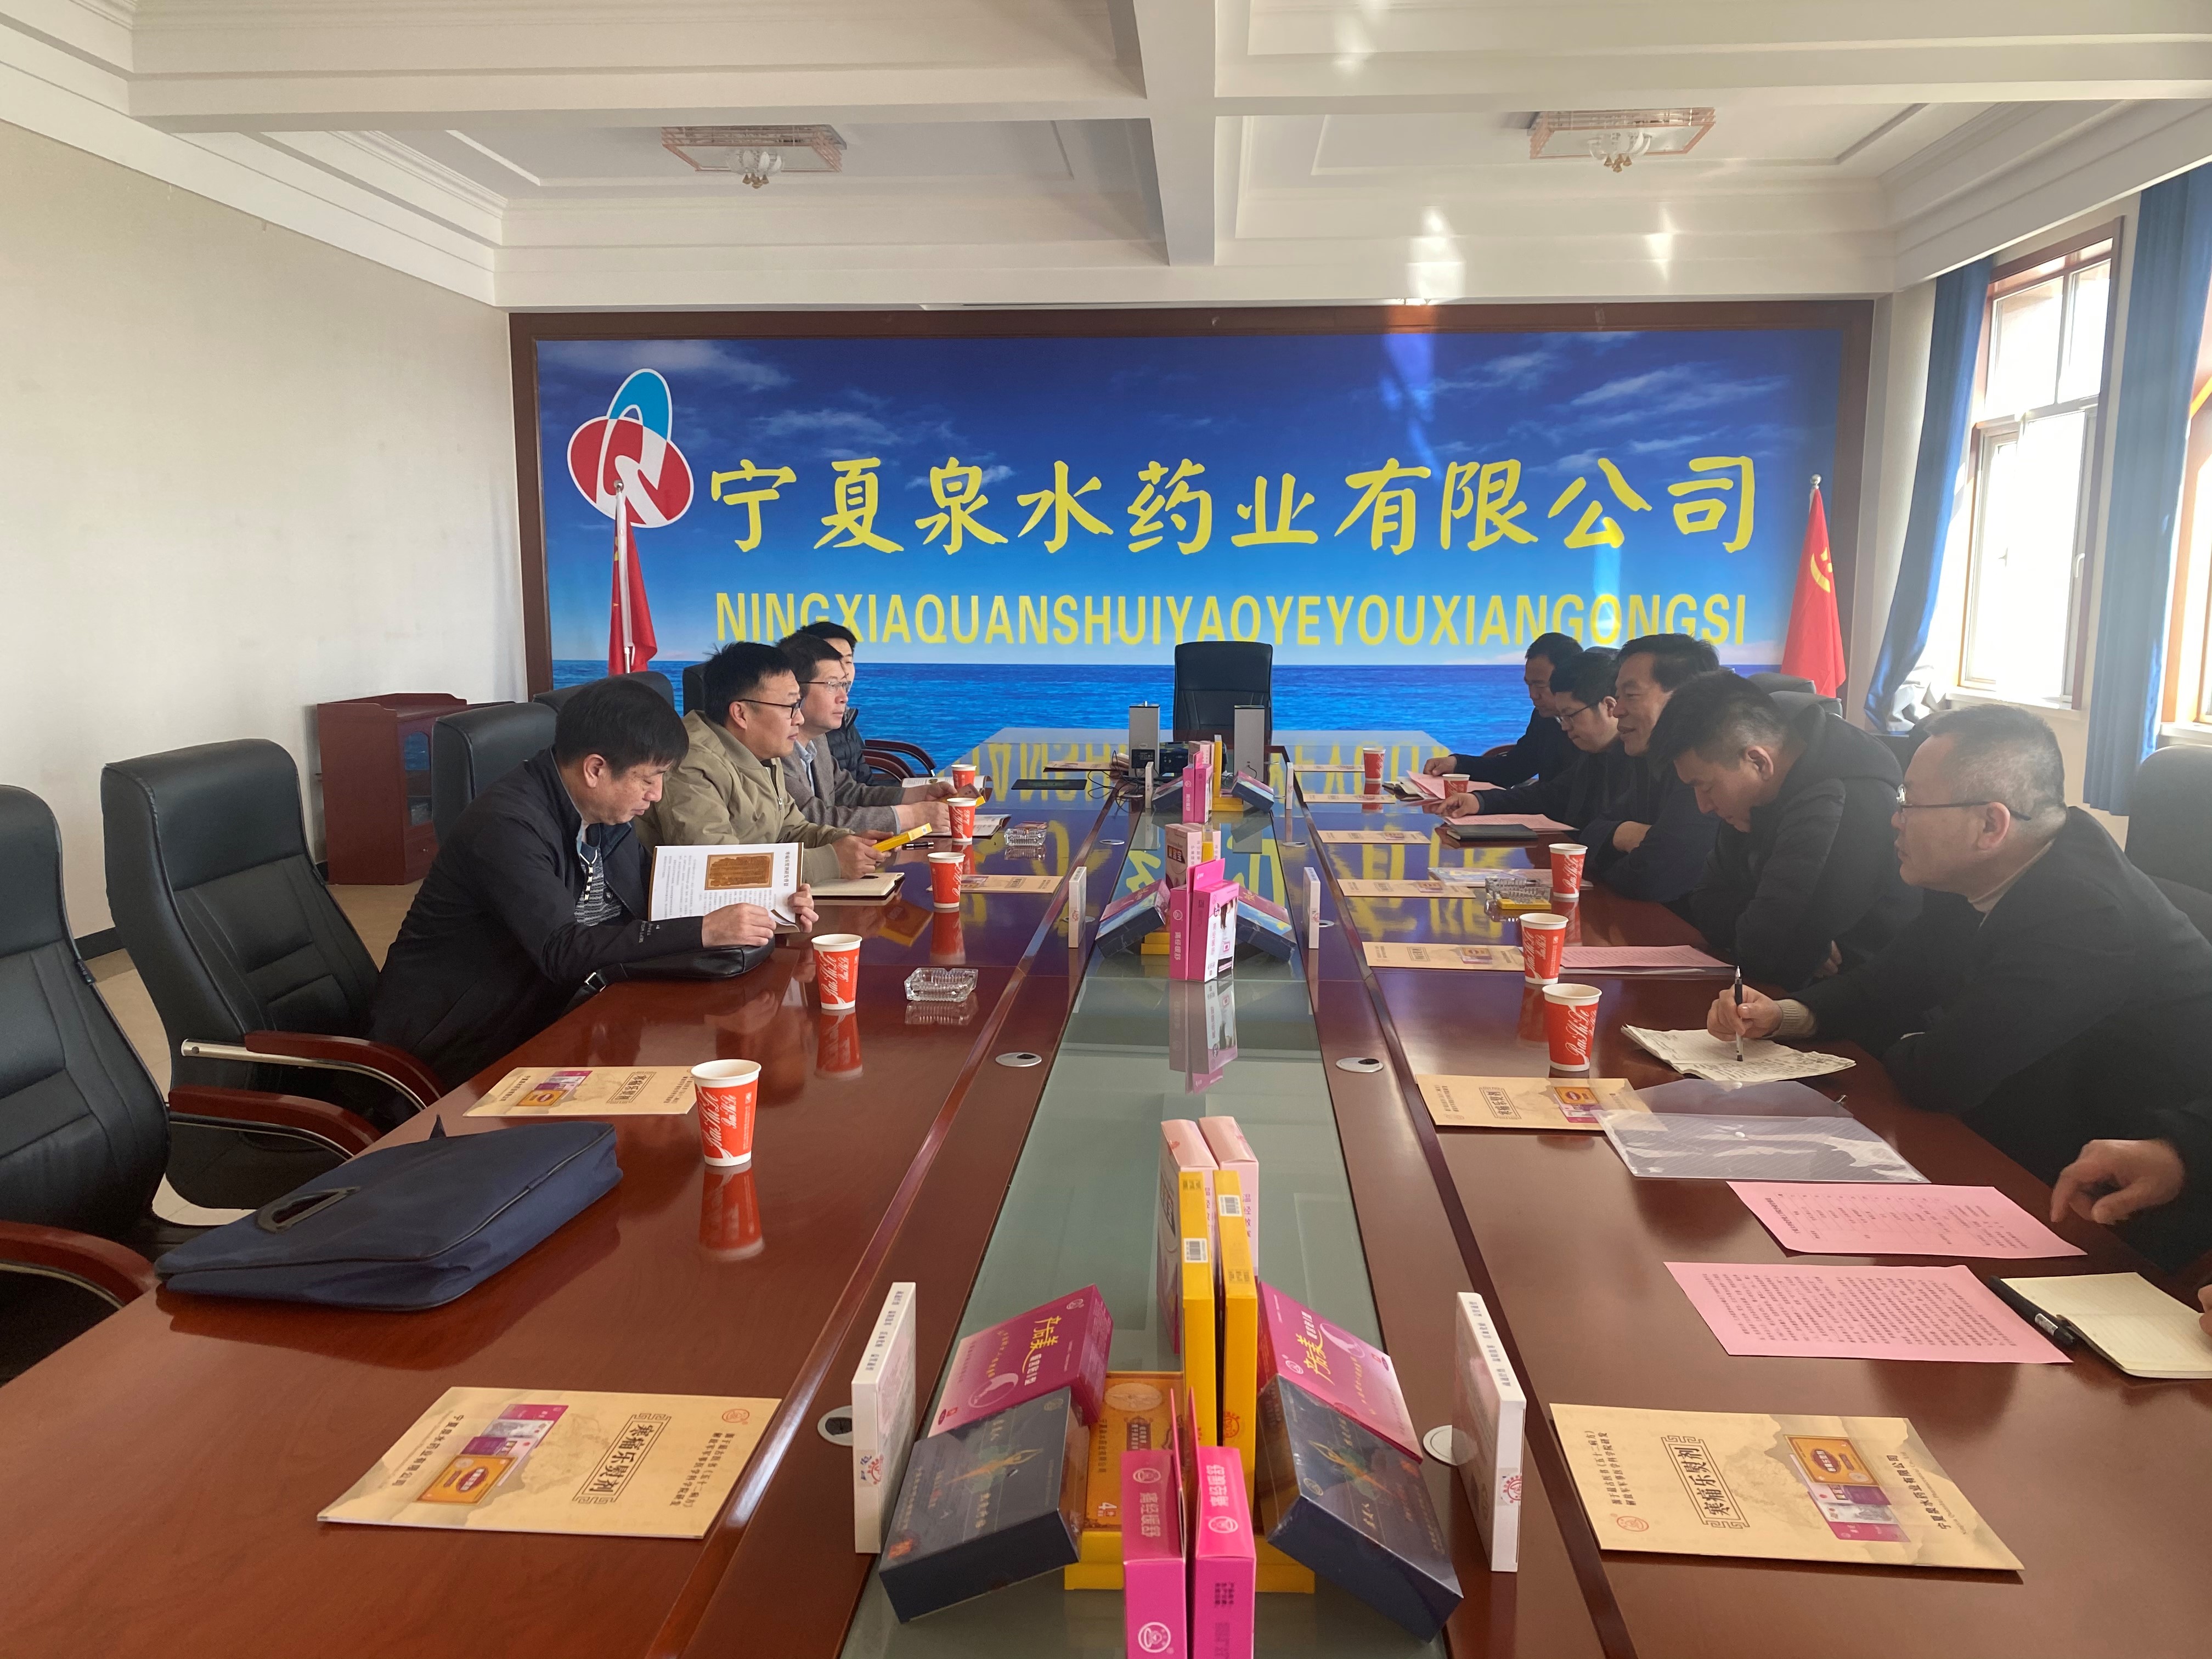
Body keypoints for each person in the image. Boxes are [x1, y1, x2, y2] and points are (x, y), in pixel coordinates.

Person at [1711, 704, 2212, 1267]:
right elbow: (1889, 983)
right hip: (2019, 1142)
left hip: (2112, 1208)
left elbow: (1941, 1075)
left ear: (1990, 826)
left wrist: (1910, 1036)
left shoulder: (2084, 914)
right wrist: (1783, 1014)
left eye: (1911, 803)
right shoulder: (1986, 870)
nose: (1895, 820)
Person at [366, 676, 815, 1090]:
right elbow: (561, 950)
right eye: (648, 778)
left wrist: (770, 900)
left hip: (556, 1013)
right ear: (596, 769)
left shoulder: (603, 811)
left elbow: (657, 892)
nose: (657, 794)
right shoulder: (506, 826)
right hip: (460, 1049)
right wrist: (705, 930)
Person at [1657, 670, 1917, 989]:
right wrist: (1776, 930)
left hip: (1856, 1003)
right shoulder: (1753, 798)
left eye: (1707, 787)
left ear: (1758, 762)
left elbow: (1768, 958)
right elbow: (1704, 902)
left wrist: (1777, 937)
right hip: (1782, 995)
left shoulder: (1846, 799)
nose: (1703, 806)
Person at [1442, 642, 1718, 904]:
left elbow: (1652, 876)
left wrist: (1614, 848)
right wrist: (1622, 836)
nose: (1619, 710)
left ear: (1683, 698)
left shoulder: (1698, 773)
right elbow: (1588, 831)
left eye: (1630, 696)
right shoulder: (1634, 758)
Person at [640, 640, 885, 884]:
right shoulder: (690, 762)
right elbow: (716, 869)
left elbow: (791, 831)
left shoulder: (762, 750)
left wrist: (851, 843)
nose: (799, 719)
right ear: (741, 714)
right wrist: (831, 861)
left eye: (798, 705)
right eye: (790, 706)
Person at [778, 631, 950, 834]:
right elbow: (813, 819)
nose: (844, 697)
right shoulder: (775, 751)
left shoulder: (818, 740)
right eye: (832, 685)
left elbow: (848, 793)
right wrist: (910, 816)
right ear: (796, 691)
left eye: (844, 685)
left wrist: (917, 796)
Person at [1421, 632, 1582, 787]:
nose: (1532, 695)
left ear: (1567, 680)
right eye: (1529, 684)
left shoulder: (1588, 729)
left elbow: (1557, 794)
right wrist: (1457, 764)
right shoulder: (1544, 717)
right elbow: (1513, 768)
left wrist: (1483, 800)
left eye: (1540, 686)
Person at [795, 619, 894, 786]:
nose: (844, 671)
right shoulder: (804, 735)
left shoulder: (844, 718)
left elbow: (860, 786)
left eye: (848, 661)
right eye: (834, 661)